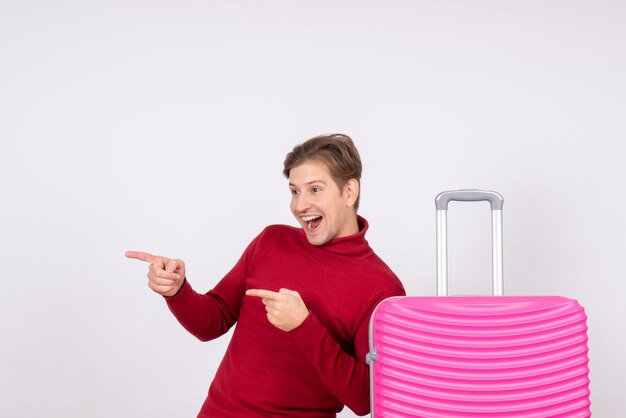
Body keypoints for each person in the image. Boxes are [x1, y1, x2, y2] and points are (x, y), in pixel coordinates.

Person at [126, 134, 405, 417]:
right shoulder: (272, 241)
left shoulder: (381, 288)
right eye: (295, 191)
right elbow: (212, 322)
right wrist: (177, 290)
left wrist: (304, 326)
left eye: (315, 189)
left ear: (349, 192)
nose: (300, 205)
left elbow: (364, 398)